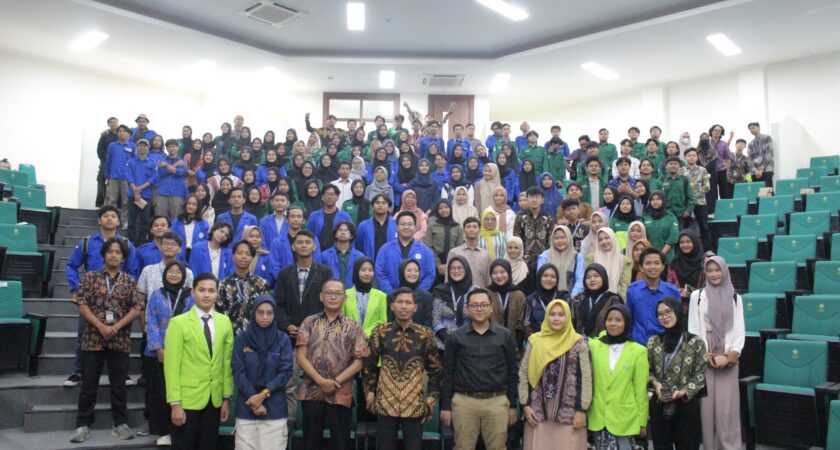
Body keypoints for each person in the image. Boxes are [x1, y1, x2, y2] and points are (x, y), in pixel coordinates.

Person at [69, 238, 144, 444]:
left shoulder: (129, 281)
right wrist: (101, 326)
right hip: (93, 338)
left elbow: (137, 308)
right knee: (89, 384)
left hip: (119, 340)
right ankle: (83, 424)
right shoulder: (90, 277)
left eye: (118, 252)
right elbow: (81, 304)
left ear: (123, 257)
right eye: (110, 251)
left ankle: (119, 423)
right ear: (104, 254)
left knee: (118, 384)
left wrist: (116, 327)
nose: (113, 255)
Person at [64, 206, 140, 387]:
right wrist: (78, 288)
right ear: (99, 220)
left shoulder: (127, 245)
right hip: (92, 298)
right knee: (85, 333)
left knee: (121, 335)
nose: (109, 219)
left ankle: (124, 373)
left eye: (113, 216)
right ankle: (78, 372)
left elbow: (133, 271)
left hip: (119, 298)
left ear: (118, 221)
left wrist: (128, 292)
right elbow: (71, 266)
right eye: (105, 216)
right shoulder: (87, 242)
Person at [364, 287, 443, 450]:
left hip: (414, 404)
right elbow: (369, 365)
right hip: (385, 403)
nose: (404, 306)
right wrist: (369, 393)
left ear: (415, 307)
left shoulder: (426, 334)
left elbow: (435, 370)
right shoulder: (380, 332)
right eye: (399, 302)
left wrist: (432, 398)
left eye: (408, 302)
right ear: (392, 306)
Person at [440, 288, 519, 450]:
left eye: (483, 305)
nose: (479, 309)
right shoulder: (456, 337)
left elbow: (513, 372)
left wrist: (512, 406)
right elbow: (448, 372)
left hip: (496, 402)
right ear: (467, 309)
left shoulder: (505, 335)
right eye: (474, 305)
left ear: (491, 308)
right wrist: (446, 407)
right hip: (464, 402)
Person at [295, 279, 368, 450]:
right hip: (312, 392)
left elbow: (359, 363)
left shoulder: (354, 326)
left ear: (345, 298)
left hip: (340, 394)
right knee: (310, 443)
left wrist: (333, 383)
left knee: (341, 443)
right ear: (321, 296)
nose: (333, 297)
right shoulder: (309, 322)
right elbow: (300, 357)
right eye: (328, 293)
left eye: (337, 293)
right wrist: (321, 381)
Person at [164, 273, 234, 450]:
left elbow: (226, 364)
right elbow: (171, 366)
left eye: (211, 290)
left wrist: (226, 398)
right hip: (187, 400)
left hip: (214, 399)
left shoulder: (225, 322)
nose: (206, 294)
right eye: (202, 290)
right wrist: (175, 403)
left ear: (217, 294)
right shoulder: (178, 323)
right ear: (193, 292)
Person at [688, 256, 745, 450]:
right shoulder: (697, 296)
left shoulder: (735, 297)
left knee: (726, 410)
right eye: (710, 271)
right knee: (706, 410)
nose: (714, 274)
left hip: (727, 356)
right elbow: (694, 329)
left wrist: (731, 354)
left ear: (724, 271)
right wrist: (706, 355)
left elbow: (739, 330)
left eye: (717, 270)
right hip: (705, 354)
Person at [519, 299, 591, 450]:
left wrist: (582, 410)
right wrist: (525, 405)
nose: (556, 318)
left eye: (561, 314)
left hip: (569, 411)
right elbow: (524, 373)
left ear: (568, 317)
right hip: (537, 409)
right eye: (552, 314)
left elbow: (586, 379)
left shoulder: (578, 342)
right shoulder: (535, 341)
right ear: (546, 317)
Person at [231, 295, 294, 450]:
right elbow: (238, 371)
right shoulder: (242, 338)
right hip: (247, 408)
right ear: (253, 313)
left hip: (274, 410)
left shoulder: (282, 339)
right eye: (260, 312)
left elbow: (285, 372)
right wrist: (254, 399)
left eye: (269, 313)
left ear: (275, 314)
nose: (265, 317)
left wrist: (262, 395)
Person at [143, 260, 194, 446]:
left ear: (184, 275)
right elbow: (152, 321)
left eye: (177, 271)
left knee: (181, 392)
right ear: (165, 274)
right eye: (170, 271)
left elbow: (192, 322)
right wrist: (158, 348)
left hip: (184, 352)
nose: (174, 274)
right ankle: (163, 431)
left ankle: (179, 430)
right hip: (161, 353)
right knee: (161, 392)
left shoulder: (190, 297)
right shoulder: (157, 294)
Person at [647, 297, 707, 450]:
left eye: (668, 312)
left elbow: (700, 376)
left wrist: (683, 392)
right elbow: (648, 370)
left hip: (686, 406)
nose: (664, 317)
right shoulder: (653, 341)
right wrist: (656, 384)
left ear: (678, 312)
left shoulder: (696, 342)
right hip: (660, 403)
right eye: (660, 314)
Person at [587, 304, 649, 450]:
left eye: (618, 320)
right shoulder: (594, 346)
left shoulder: (638, 351)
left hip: (626, 418)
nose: (613, 324)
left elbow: (640, 390)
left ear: (626, 323)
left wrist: (642, 421)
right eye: (609, 319)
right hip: (599, 416)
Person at [626, 248, 681, 345]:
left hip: (664, 345)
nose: (652, 267)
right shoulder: (632, 290)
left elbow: (678, 321)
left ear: (663, 266)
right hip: (639, 343)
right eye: (648, 263)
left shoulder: (672, 291)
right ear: (641, 267)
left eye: (657, 263)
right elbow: (629, 319)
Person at [374, 211, 436, 292]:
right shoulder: (385, 249)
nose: (406, 227)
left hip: (417, 299)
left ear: (415, 227)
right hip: (391, 298)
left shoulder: (426, 251)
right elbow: (379, 272)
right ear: (397, 227)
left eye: (410, 224)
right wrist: (391, 294)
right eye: (402, 224)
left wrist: (417, 294)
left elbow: (430, 275)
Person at [217, 240, 270, 335]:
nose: (244, 257)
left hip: (255, 334)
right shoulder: (223, 284)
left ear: (252, 258)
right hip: (228, 334)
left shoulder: (261, 283)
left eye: (248, 254)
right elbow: (219, 312)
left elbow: (265, 310)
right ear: (233, 257)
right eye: (240, 253)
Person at [570, 263, 623, 338]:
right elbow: (571, 324)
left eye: (596, 276)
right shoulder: (578, 299)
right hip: (580, 345)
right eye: (588, 277)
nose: (592, 280)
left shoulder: (613, 299)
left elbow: (618, 325)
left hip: (604, 344)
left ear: (603, 277)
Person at [487, 259, 527, 353]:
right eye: (495, 273)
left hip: (514, 346)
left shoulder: (519, 295)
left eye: (502, 272)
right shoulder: (486, 293)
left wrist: (517, 344)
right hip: (490, 346)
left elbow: (521, 323)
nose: (499, 276)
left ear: (508, 272)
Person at [584, 227, 633, 300]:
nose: (604, 242)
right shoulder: (592, 258)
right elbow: (588, 281)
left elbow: (625, 285)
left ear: (613, 238)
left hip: (616, 301)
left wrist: (620, 303)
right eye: (600, 240)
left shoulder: (624, 261)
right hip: (595, 300)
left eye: (607, 238)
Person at [536, 225, 584, 297]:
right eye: (556, 238)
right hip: (548, 297)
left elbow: (580, 279)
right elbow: (540, 279)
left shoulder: (577, 257)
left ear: (569, 238)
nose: (560, 241)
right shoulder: (544, 257)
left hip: (571, 297)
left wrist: (572, 296)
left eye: (563, 237)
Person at [447, 216, 493, 288]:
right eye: (468, 227)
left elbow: (489, 280)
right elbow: (448, 278)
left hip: (480, 295)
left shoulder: (487, 255)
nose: (471, 229)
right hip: (459, 295)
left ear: (480, 230)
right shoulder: (454, 253)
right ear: (464, 230)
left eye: (475, 227)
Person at [425, 199, 465, 281]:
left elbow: (459, 248)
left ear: (450, 208)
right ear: (437, 210)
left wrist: (448, 265)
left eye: (446, 207)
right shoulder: (431, 225)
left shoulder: (457, 227)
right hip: (434, 263)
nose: (444, 210)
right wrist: (438, 265)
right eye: (440, 208)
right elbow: (428, 246)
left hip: (453, 264)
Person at [126, 139, 157, 244]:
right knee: (131, 221)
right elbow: (129, 177)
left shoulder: (152, 163)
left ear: (148, 148)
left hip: (146, 195)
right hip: (132, 195)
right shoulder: (131, 162)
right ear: (137, 147)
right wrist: (135, 190)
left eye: (145, 146)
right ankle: (131, 243)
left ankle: (142, 243)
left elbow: (153, 179)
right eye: (140, 145)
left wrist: (140, 189)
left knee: (145, 221)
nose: (142, 147)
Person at [513, 187, 554, 266]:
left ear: (542, 200)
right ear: (527, 199)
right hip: (524, 259)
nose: (534, 200)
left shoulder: (548, 218)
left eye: (537, 197)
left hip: (544, 258)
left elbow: (551, 239)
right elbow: (516, 237)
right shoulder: (520, 217)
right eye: (531, 197)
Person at [105, 125, 137, 225]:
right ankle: (112, 220)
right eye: (120, 131)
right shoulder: (112, 146)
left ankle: (124, 221)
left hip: (126, 178)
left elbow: (134, 163)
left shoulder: (132, 146)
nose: (121, 133)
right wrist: (107, 175)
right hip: (113, 176)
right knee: (112, 200)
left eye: (124, 131)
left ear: (128, 134)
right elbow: (108, 160)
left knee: (126, 201)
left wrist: (133, 178)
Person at [319, 220, 365, 288]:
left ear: (351, 236)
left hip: (352, 293)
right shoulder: (324, 255)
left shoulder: (360, 256)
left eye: (346, 230)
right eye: (340, 230)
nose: (343, 232)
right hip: (332, 293)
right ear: (335, 234)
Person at [681, 148, 711, 251]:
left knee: (704, 227)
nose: (691, 157)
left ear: (697, 157)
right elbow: (681, 188)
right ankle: (684, 249)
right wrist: (690, 194)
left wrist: (694, 191)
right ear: (685, 158)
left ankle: (707, 250)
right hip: (686, 204)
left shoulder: (703, 170)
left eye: (694, 155)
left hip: (700, 202)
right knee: (685, 227)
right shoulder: (681, 171)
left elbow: (706, 187)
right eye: (689, 155)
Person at [306, 185, 353, 251]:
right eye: (327, 194)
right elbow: (307, 235)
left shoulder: (345, 216)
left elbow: (351, 237)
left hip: (338, 253)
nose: (329, 197)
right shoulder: (314, 216)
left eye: (332, 194)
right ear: (322, 197)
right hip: (317, 252)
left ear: (337, 197)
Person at [667, 230, 706, 308]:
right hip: (680, 306)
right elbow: (670, 286)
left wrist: (691, 293)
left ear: (694, 242)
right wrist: (679, 291)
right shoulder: (674, 263)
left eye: (688, 241)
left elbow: (708, 287)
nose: (685, 245)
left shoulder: (704, 262)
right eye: (682, 242)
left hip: (701, 305)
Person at [355, 194, 397, 262]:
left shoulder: (396, 225)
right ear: (372, 206)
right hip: (369, 265)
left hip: (390, 263)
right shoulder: (363, 226)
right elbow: (358, 247)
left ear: (389, 207)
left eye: (384, 203)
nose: (380, 205)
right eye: (377, 203)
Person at [643, 191, 680, 264]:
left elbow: (673, 237)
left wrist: (661, 254)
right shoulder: (646, 217)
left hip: (667, 258)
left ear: (663, 200)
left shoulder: (671, 217)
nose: (655, 201)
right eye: (652, 200)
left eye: (658, 199)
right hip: (649, 258)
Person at [156, 139, 188, 219]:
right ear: (166, 149)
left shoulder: (182, 161)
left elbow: (180, 173)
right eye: (169, 147)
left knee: (176, 218)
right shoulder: (162, 160)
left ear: (177, 148)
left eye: (173, 146)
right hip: (162, 192)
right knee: (161, 218)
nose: (171, 148)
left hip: (177, 193)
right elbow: (161, 174)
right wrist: (175, 165)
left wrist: (166, 166)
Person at [172, 195, 210, 262]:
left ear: (198, 207)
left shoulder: (204, 224)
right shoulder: (176, 222)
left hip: (197, 256)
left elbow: (206, 242)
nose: (190, 206)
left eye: (194, 204)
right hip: (179, 254)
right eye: (189, 203)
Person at [661, 156, 694, 229]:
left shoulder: (684, 180)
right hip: (666, 214)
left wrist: (688, 211)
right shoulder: (662, 180)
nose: (673, 165)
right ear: (666, 166)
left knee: (681, 235)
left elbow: (691, 197)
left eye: (675, 164)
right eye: (671, 164)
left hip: (681, 214)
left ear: (679, 166)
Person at [96, 117, 120, 207]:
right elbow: (99, 150)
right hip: (105, 163)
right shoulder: (105, 136)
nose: (113, 124)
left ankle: (115, 205)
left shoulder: (121, 134)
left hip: (118, 165)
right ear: (108, 125)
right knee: (102, 182)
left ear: (118, 123)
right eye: (111, 122)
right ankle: (101, 204)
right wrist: (107, 160)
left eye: (115, 122)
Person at [747, 122, 774, 188]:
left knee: (768, 192)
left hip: (767, 169)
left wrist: (761, 169)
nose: (752, 130)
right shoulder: (750, 144)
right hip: (755, 172)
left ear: (759, 128)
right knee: (757, 193)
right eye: (750, 129)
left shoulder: (767, 138)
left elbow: (769, 154)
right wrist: (755, 171)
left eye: (753, 128)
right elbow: (749, 159)